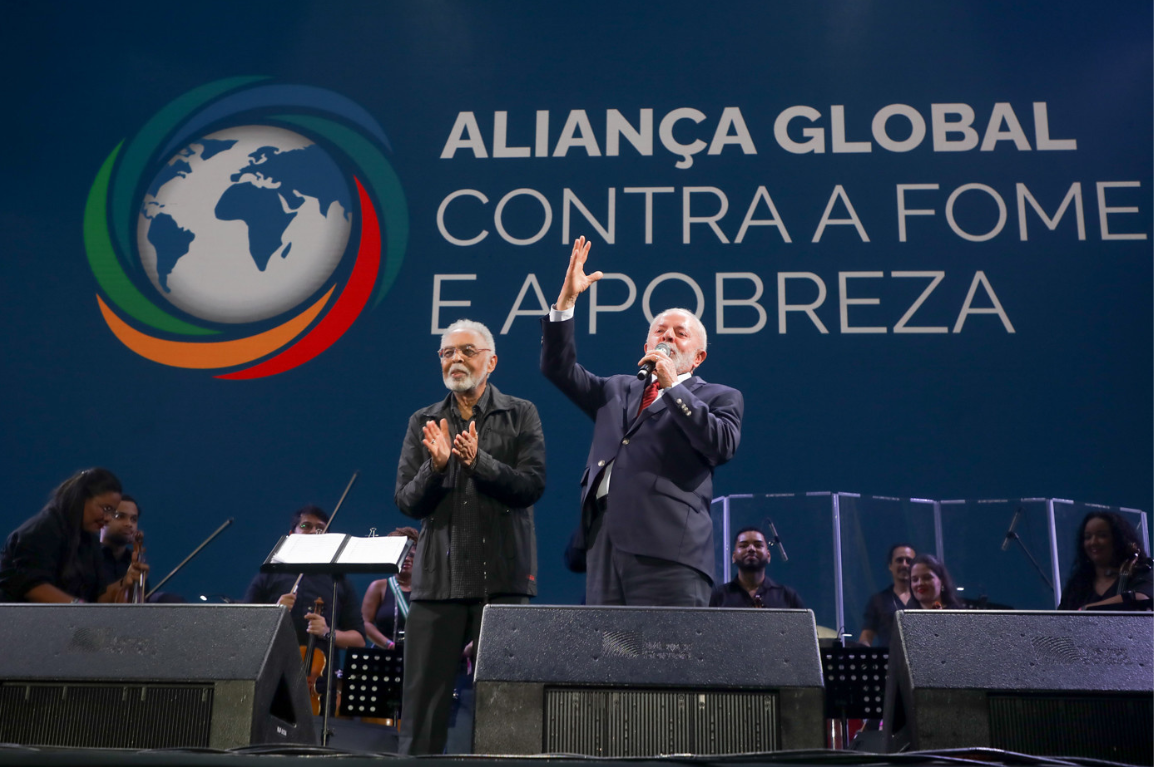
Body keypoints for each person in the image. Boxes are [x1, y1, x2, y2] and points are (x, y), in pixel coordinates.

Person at [541, 236, 744, 607]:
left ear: (698, 357)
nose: (667, 336)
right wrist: (566, 303)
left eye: (679, 334)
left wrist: (671, 388)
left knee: (669, 659)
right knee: (609, 659)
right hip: (604, 547)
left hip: (670, 553)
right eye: (660, 331)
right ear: (645, 345)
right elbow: (558, 368)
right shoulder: (616, 389)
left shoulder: (719, 396)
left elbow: (721, 445)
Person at [395, 318, 546, 755]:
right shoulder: (422, 421)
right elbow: (406, 501)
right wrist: (436, 468)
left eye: (466, 351)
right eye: (447, 352)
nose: (455, 359)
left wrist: (479, 462)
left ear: (491, 361)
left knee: (507, 711)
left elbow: (531, 486)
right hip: (437, 584)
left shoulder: (521, 414)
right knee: (422, 717)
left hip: (503, 582)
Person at [0, 468, 148, 603]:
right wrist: (80, 612)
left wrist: (125, 583)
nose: (108, 518)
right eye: (106, 508)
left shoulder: (90, 541)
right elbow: (33, 587)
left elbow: (98, 597)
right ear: (82, 498)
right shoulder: (42, 529)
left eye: (112, 512)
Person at [242, 505, 366, 658]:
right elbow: (243, 626)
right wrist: (274, 612)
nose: (314, 531)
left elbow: (359, 640)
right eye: (306, 526)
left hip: (319, 678)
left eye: (320, 528)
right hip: (272, 674)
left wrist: (327, 633)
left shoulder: (338, 581)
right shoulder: (269, 575)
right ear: (291, 534)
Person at [1057, 512, 1152, 610]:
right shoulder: (1078, 584)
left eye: (1102, 535)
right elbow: (1060, 620)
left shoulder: (1143, 573)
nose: (1093, 542)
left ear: (1118, 539)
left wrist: (1086, 609)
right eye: (1088, 537)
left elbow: (1141, 598)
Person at [709, 527, 804, 608]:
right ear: (733, 557)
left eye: (758, 545)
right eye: (743, 545)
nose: (751, 549)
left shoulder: (788, 597)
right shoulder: (718, 596)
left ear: (768, 556)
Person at [361, 527, 418, 650]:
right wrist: (389, 645)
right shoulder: (379, 587)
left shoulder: (426, 588)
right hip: (385, 655)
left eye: (411, 555)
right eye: (402, 554)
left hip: (418, 655)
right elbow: (365, 623)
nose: (407, 558)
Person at [858, 544, 916, 647]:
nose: (904, 565)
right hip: (888, 661)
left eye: (909, 561)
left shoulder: (924, 598)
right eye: (899, 560)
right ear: (890, 566)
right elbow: (866, 637)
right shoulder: (878, 600)